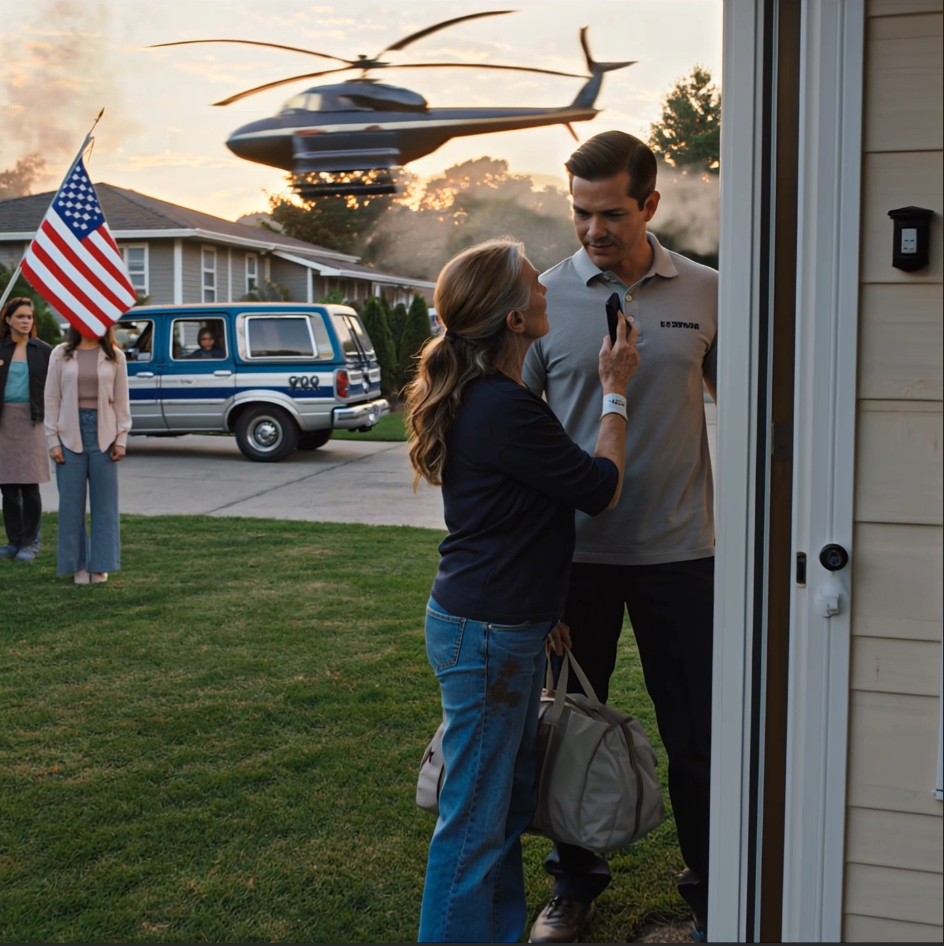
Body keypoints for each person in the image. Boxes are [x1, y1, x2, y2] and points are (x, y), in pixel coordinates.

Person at [405, 238, 639, 943]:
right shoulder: (503, 407)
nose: (547, 292)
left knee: (501, 808)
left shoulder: (494, 399)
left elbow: (521, 517)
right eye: (536, 286)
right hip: (486, 632)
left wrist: (548, 610)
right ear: (513, 320)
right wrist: (615, 389)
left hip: (501, 619)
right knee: (473, 821)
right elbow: (599, 488)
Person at [523, 131, 718, 943]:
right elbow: (518, 442)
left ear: (650, 204)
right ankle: (574, 884)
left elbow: (755, 413)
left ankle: (713, 887)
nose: (593, 229)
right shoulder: (539, 297)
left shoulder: (707, 291)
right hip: (575, 561)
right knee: (567, 730)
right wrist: (535, 574)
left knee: (699, 737)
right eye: (580, 212)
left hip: (683, 554)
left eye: (610, 213)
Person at [44, 324, 132, 584]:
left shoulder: (115, 356)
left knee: (105, 504)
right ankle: (78, 565)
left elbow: (122, 401)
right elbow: (51, 398)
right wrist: (53, 441)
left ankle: (101, 565)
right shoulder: (60, 354)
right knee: (71, 504)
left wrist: (121, 438)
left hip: (105, 433)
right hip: (69, 433)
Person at [0, 297, 52, 562]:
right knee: (8, 486)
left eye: (29, 317)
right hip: (4, 422)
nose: (26, 321)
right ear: (8, 319)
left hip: (32, 421)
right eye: (20, 316)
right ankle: (14, 541)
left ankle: (31, 543)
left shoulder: (43, 351)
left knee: (29, 485)